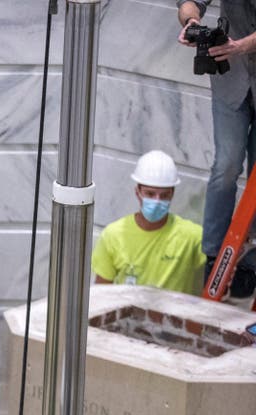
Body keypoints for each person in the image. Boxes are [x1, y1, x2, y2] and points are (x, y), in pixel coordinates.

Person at [177, 0, 256, 298]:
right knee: (225, 165)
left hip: (238, 58)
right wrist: (191, 23)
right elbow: (189, 2)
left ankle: (251, 261)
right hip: (231, 81)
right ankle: (213, 255)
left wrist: (240, 46)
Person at [92, 150, 205, 294]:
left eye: (164, 195)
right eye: (150, 194)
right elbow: (102, 294)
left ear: (172, 194)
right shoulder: (113, 235)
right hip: (129, 316)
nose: (157, 201)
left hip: (172, 315)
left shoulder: (193, 237)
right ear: (137, 192)